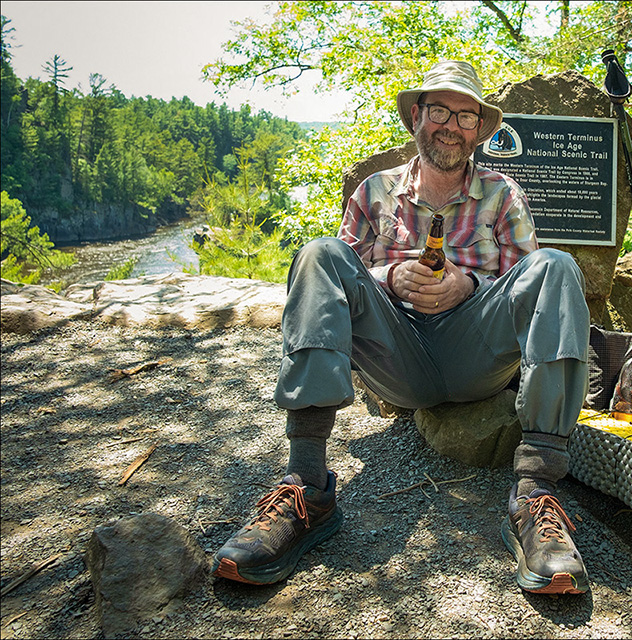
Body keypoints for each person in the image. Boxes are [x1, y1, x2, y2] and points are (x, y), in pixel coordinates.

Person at [211, 60, 591, 595]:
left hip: (475, 355)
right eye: (440, 110)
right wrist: (389, 275)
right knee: (320, 254)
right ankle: (306, 488)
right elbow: (342, 283)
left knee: (555, 264)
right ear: (417, 115)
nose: (452, 125)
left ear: (479, 130)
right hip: (396, 358)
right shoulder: (373, 193)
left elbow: (529, 289)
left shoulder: (504, 195)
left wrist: (471, 287)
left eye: (466, 116)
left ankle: (535, 494)